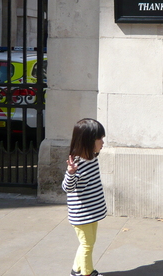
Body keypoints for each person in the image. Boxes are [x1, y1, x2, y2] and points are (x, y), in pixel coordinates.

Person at [62, 118, 107, 276]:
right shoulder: (77, 163)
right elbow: (67, 187)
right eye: (99, 138)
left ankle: (76, 270)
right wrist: (71, 172)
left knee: (88, 243)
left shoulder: (92, 158)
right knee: (87, 245)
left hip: (92, 210)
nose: (102, 142)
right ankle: (87, 273)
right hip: (81, 213)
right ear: (88, 140)